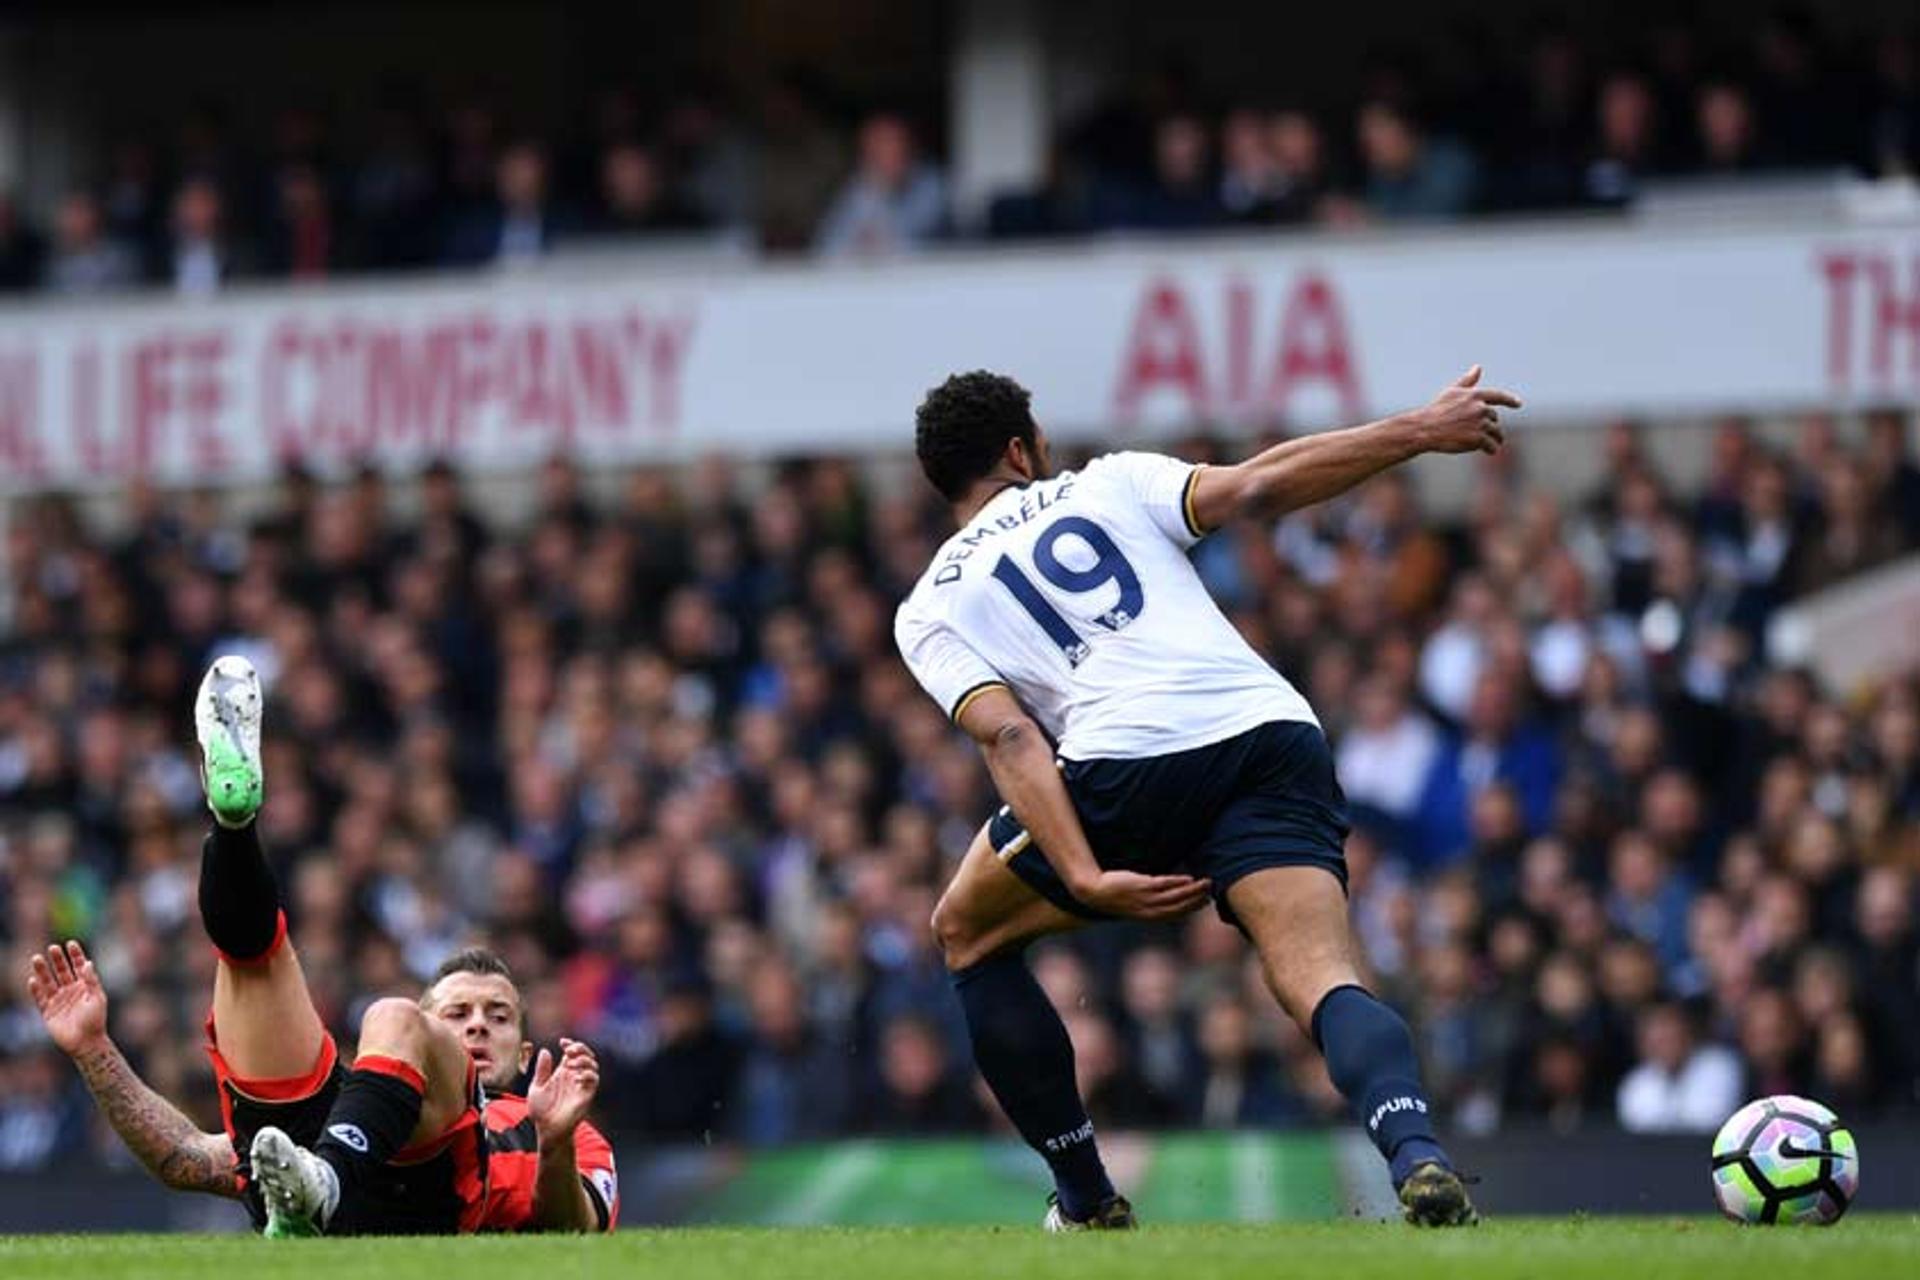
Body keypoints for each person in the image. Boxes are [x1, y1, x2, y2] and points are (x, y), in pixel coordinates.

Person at [896, 366, 1518, 1230]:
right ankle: (1418, 1155)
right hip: (1269, 731)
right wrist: (1416, 428)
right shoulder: (1110, 480)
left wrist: (1082, 874)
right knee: (1321, 974)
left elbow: (1010, 738)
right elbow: (1262, 482)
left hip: (1130, 757)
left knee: (966, 932)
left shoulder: (928, 606)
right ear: (1018, 449)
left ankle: (1085, 1200)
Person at [24, 656, 616, 1236]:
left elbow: (577, 1227)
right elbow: (181, 1156)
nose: (479, 1026)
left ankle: (322, 1184)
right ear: (402, 1050)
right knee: (252, 961)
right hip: (333, 1142)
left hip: (430, 1193)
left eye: (499, 1015)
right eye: (458, 1013)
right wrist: (93, 1048)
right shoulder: (371, 1082)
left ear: (526, 1048)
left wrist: (557, 1143)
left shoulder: (556, 1128)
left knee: (386, 1011)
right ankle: (234, 824)